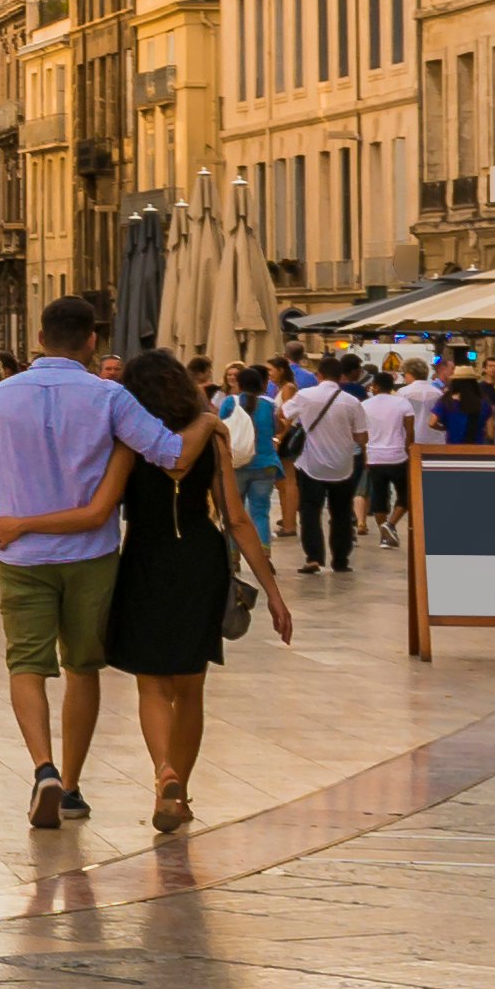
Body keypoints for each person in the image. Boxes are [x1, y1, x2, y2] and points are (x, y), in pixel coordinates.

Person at [0, 295, 202, 832]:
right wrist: (208, 421)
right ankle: (70, 784)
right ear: (93, 341)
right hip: (91, 556)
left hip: (21, 554)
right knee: (81, 667)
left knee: (26, 664)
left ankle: (42, 766)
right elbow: (171, 455)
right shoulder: (109, 396)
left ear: (39, 339)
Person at [101, 347, 291, 831]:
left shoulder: (127, 439)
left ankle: (162, 771)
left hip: (145, 557)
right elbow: (238, 518)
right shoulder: (211, 439)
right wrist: (272, 591)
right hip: (199, 559)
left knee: (150, 682)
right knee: (190, 687)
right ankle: (179, 788)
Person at [278, 354, 366, 576]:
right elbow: (362, 438)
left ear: (319, 375)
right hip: (343, 465)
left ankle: (314, 557)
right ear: (340, 376)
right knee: (341, 513)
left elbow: (282, 413)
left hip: (311, 464)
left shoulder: (305, 396)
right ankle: (341, 559)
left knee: (310, 510)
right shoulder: (352, 402)